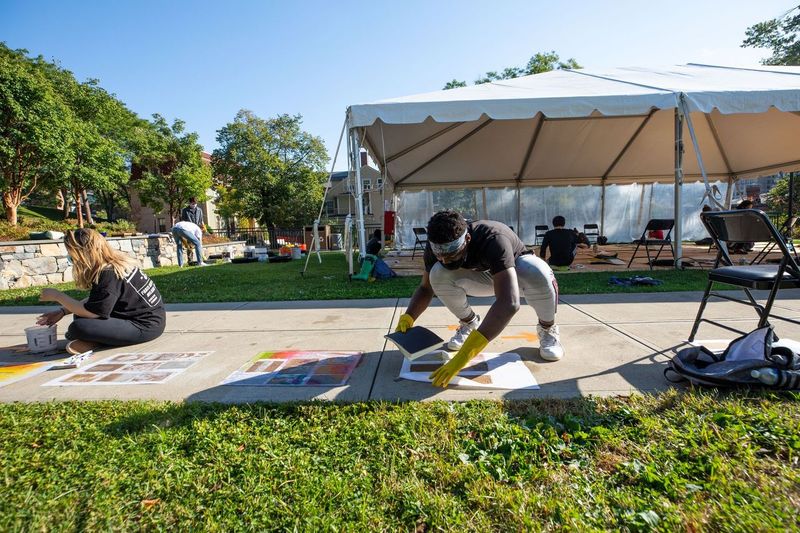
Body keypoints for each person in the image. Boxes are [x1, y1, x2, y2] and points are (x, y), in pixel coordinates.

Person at [394, 210, 564, 388]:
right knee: (437, 273)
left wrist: (466, 354)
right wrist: (409, 316)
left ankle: (547, 328)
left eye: (452, 253)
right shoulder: (437, 245)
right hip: (483, 277)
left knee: (536, 271)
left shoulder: (493, 238)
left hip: (516, 275)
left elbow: (509, 303)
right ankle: (469, 322)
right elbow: (425, 287)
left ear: (467, 239)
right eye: (439, 253)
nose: (444, 259)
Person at [36, 228, 166, 355]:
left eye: (72, 254)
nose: (70, 258)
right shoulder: (114, 264)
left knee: (78, 327)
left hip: (144, 326)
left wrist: (57, 296)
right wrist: (63, 311)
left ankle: (97, 341)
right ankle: (98, 340)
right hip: (149, 320)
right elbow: (100, 301)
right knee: (79, 315)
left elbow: (93, 313)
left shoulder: (108, 273)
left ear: (84, 253)